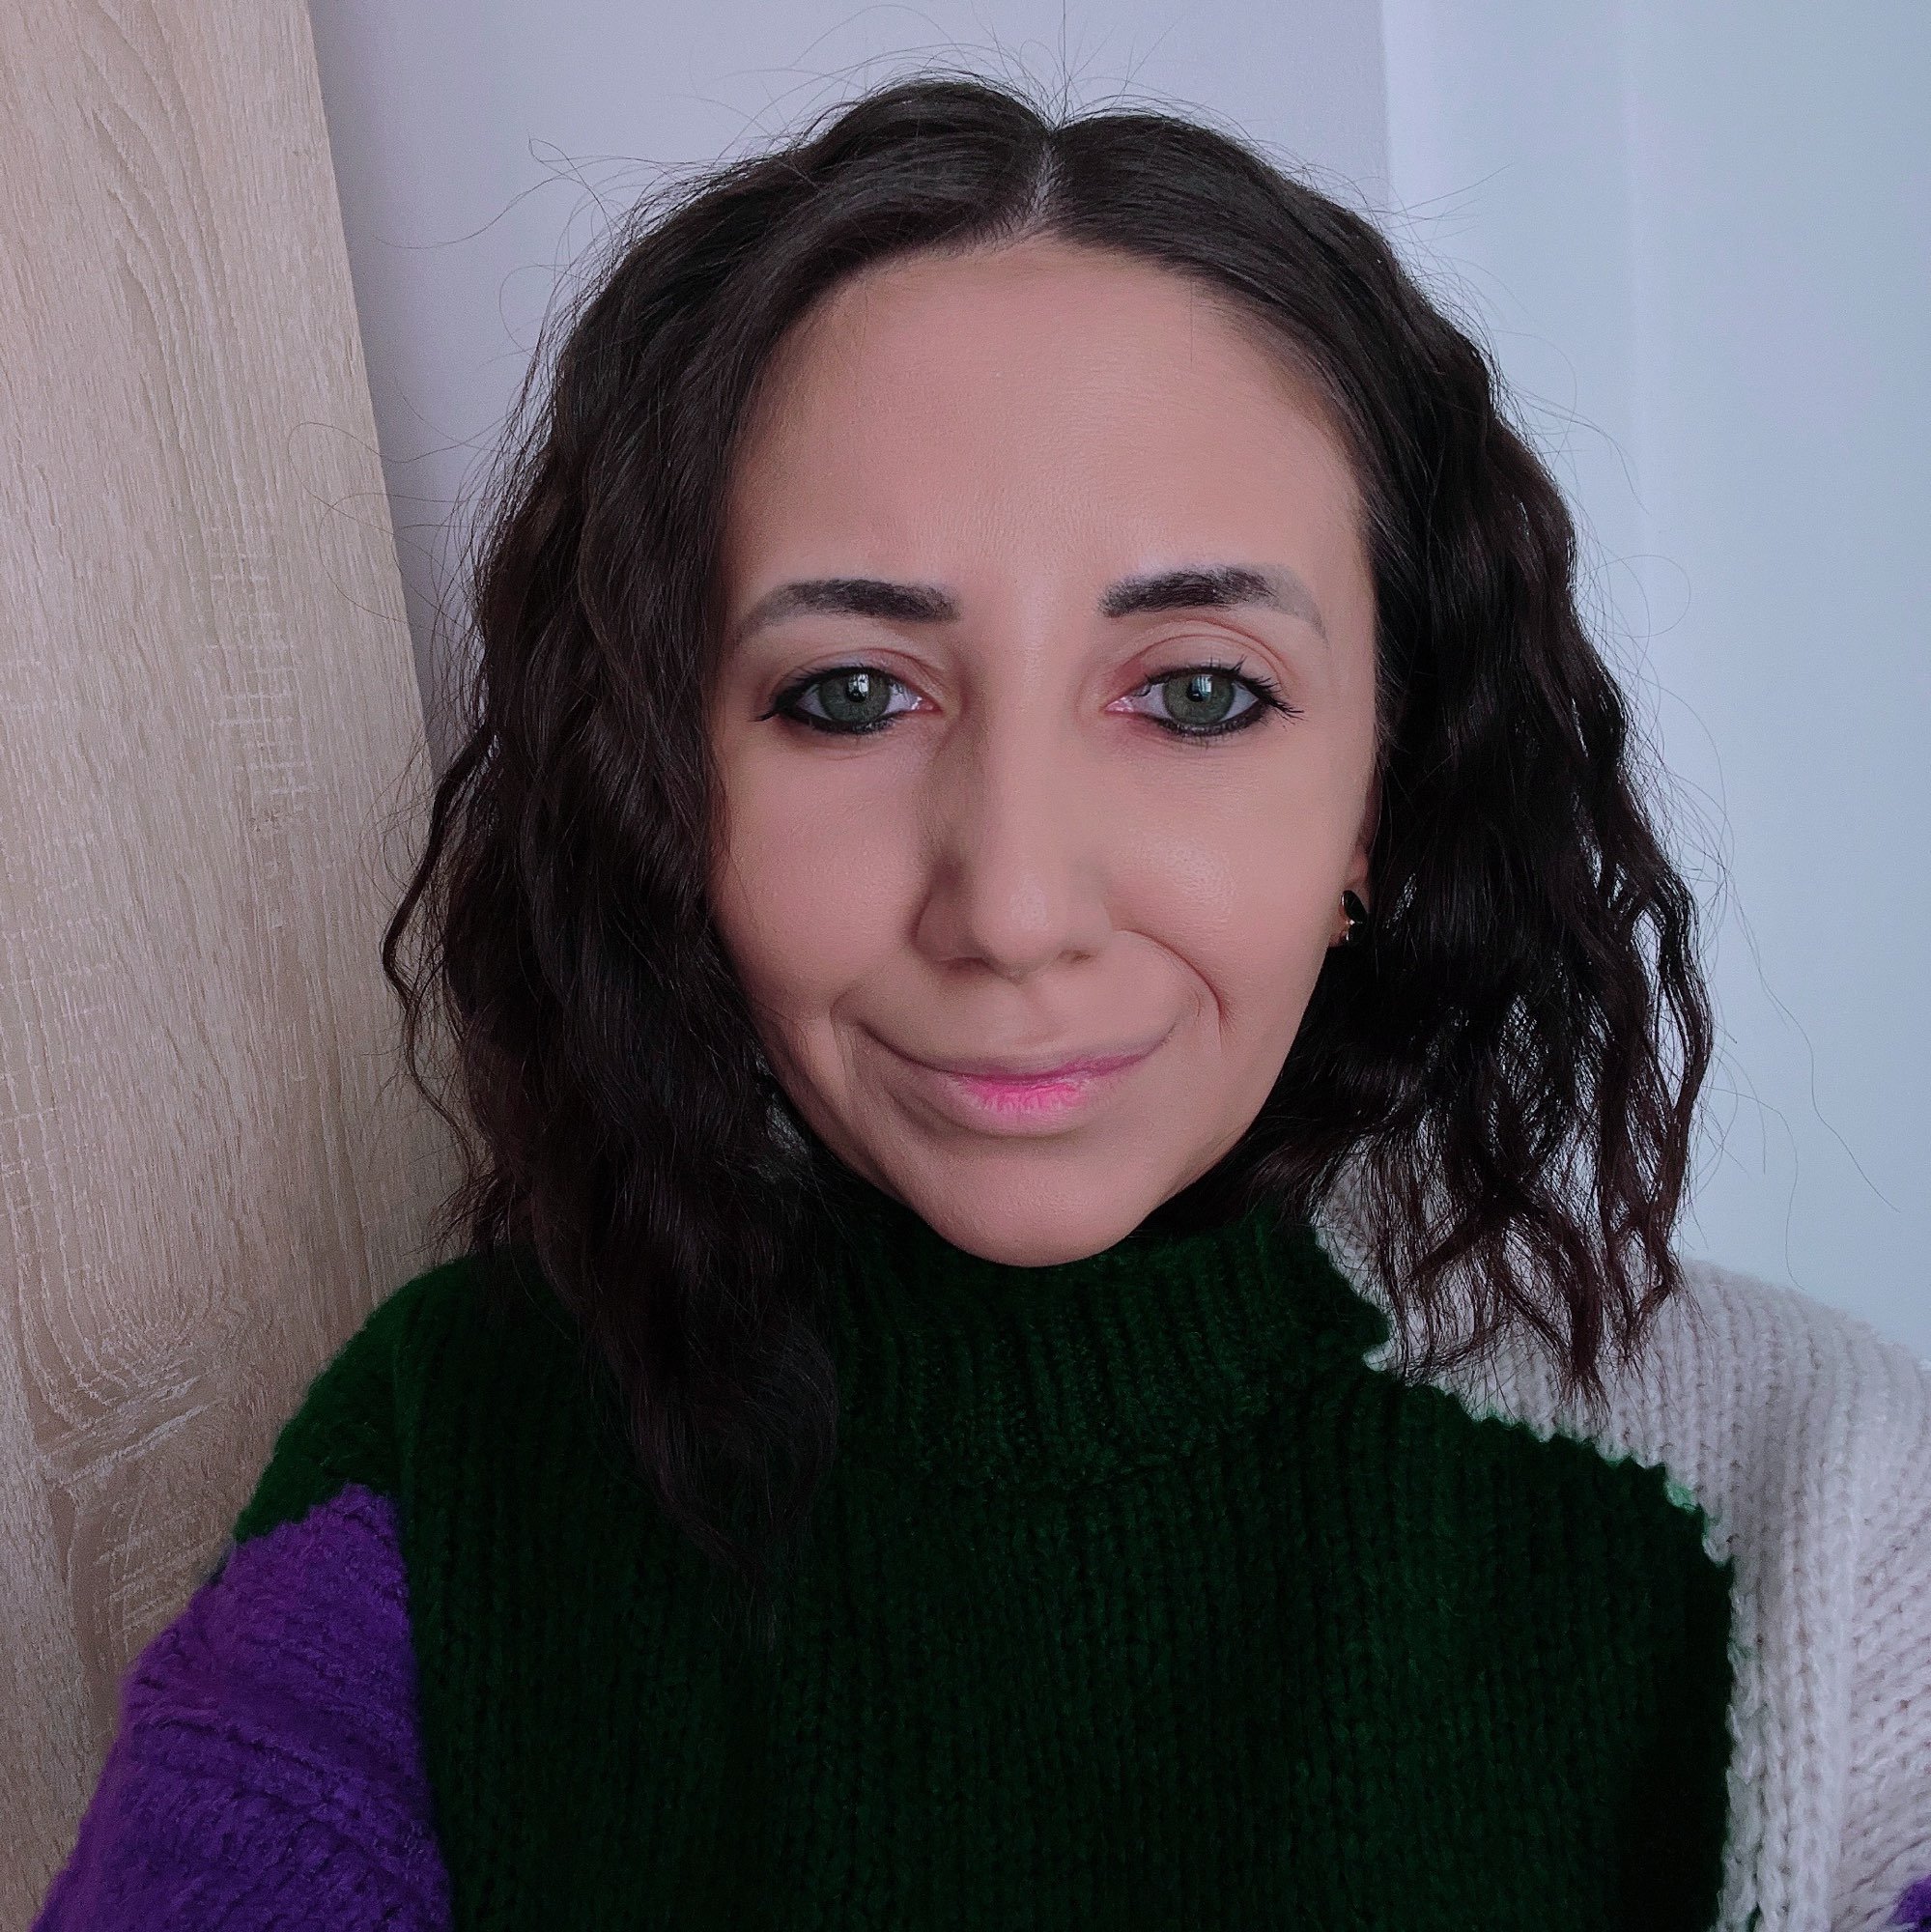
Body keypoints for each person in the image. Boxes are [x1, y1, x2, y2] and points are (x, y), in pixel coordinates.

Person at [31, 71, 1931, 1932]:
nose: (1013, 909)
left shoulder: (1814, 1502)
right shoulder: (448, 1463)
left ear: (1384, 792)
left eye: (1199, 693)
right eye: (850, 695)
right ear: (662, 785)